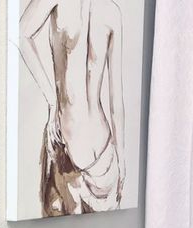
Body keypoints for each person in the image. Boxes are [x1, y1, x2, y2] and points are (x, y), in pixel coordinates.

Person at [20, 0, 126, 215]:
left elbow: (21, 33)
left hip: (71, 148)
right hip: (104, 153)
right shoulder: (112, 11)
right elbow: (116, 102)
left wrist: (53, 101)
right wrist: (121, 159)